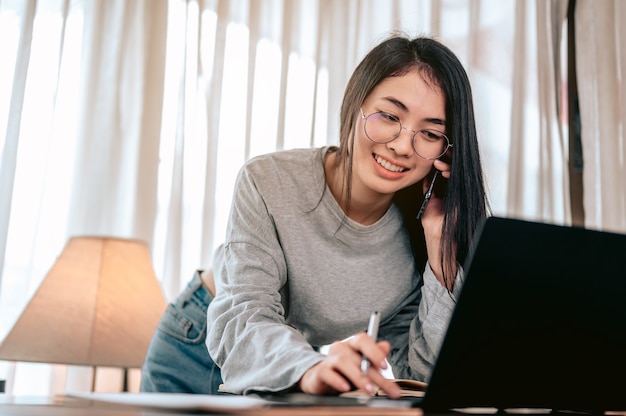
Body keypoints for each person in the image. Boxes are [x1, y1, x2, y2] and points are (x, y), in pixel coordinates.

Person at [141, 32, 489, 397]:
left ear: (446, 152)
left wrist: (441, 256)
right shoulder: (268, 180)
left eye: (430, 133)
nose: (403, 146)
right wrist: (311, 366)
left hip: (289, 369)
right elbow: (245, 316)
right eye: (389, 115)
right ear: (356, 103)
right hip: (200, 344)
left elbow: (419, 376)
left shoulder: (420, 237)